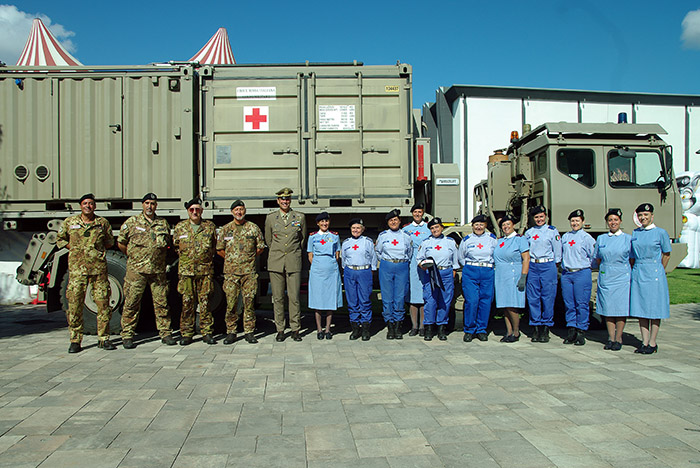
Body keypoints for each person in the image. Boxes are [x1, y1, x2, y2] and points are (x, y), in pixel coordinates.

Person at [56, 193, 115, 353]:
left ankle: (104, 339)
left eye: (91, 203)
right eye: (85, 203)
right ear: (80, 206)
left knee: (103, 305)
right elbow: (60, 239)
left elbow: (109, 242)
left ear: (94, 206)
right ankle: (75, 340)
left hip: (98, 271)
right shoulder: (70, 222)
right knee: (75, 305)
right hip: (77, 272)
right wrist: (75, 250)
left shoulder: (102, 223)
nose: (88, 206)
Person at [118, 193, 176, 348]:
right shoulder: (132, 222)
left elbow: (168, 246)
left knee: (162, 302)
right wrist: (134, 257)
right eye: (147, 203)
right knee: (132, 302)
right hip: (136, 271)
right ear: (142, 205)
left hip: (157, 271)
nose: (150, 206)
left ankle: (165, 333)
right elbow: (121, 243)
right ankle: (128, 334)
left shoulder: (162, 223)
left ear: (156, 206)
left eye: (153, 203)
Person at [217, 200, 266, 344]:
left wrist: (247, 258)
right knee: (231, 303)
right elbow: (219, 249)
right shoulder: (226, 229)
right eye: (236, 210)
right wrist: (232, 260)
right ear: (232, 212)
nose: (239, 212)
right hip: (231, 273)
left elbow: (260, 247)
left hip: (248, 272)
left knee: (249, 302)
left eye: (241, 209)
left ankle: (249, 332)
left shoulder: (253, 228)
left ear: (245, 211)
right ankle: (231, 332)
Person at [173, 198, 217, 346]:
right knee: (187, 303)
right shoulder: (180, 228)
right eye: (192, 210)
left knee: (205, 303)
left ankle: (207, 332)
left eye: (197, 209)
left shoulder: (209, 227)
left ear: (202, 211)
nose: (194, 212)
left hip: (205, 272)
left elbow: (214, 247)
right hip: (186, 272)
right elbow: (175, 247)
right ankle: (187, 333)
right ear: (188, 211)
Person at [265, 188, 307, 342]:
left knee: (294, 297)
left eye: (287, 199)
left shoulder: (299, 217)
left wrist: (292, 253)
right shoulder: (271, 218)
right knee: (278, 298)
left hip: (293, 261)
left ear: (290, 201)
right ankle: (280, 329)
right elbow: (269, 240)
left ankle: (295, 329)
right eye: (282, 199)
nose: (285, 202)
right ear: (278, 201)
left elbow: (302, 240)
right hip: (276, 262)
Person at [630, 203, 672, 354]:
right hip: (639, 271)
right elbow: (632, 256)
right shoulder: (635, 233)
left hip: (654, 272)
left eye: (646, 215)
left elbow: (666, 253)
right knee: (641, 308)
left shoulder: (660, 233)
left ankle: (653, 342)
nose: (643, 218)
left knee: (655, 309)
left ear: (652, 216)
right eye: (640, 215)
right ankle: (644, 341)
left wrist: (659, 269)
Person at [593, 208, 631, 351]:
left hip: (621, 276)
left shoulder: (628, 238)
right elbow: (597, 258)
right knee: (608, 308)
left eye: (615, 220)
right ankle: (610, 337)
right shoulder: (602, 239)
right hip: (607, 275)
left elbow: (631, 259)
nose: (613, 222)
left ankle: (619, 337)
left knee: (620, 309)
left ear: (620, 221)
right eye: (610, 220)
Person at [416, 217, 459, 341]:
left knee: (445, 301)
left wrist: (453, 273)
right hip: (431, 274)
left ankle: (441, 327)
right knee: (430, 300)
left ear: (442, 227)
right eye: (432, 228)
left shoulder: (450, 242)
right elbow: (419, 259)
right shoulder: (426, 243)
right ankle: (429, 328)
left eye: (437, 227)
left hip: (446, 272)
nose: (435, 230)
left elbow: (455, 261)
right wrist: (422, 266)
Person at [524, 206, 562, 343]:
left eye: (541, 216)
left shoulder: (552, 231)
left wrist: (555, 264)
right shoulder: (529, 233)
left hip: (548, 265)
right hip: (534, 265)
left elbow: (557, 250)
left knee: (548, 297)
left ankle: (546, 327)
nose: (539, 219)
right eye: (536, 217)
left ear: (545, 217)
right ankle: (535, 326)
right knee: (533, 297)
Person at [458, 214, 497, 342]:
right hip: (471, 270)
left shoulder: (492, 239)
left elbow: (496, 255)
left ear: (485, 226)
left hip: (487, 270)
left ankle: (481, 329)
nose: (479, 227)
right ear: (472, 226)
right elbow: (461, 257)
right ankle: (469, 329)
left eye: (481, 225)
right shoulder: (467, 240)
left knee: (485, 301)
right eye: (476, 225)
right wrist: (470, 267)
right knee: (472, 300)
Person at [375, 209, 413, 339]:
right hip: (387, 266)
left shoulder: (406, 236)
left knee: (399, 297)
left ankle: (398, 327)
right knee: (387, 297)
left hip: (402, 266)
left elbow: (410, 252)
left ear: (399, 221)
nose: (393, 222)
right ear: (388, 222)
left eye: (395, 220)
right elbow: (378, 252)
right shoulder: (383, 235)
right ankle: (390, 327)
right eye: (391, 220)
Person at [560, 209, 595, 346]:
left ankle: (581, 331)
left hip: (581, 272)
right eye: (573, 221)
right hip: (567, 273)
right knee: (569, 303)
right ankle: (571, 330)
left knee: (581, 303)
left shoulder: (587, 238)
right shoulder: (565, 237)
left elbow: (593, 256)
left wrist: (585, 267)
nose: (575, 223)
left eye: (577, 221)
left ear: (583, 222)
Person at [493, 215, 529, 343]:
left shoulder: (520, 239)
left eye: (508, 224)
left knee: (512, 305)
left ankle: (516, 331)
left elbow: (526, 258)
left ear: (513, 225)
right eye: (503, 225)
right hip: (501, 275)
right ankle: (508, 331)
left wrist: (523, 276)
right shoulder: (501, 240)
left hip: (513, 274)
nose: (506, 227)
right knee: (504, 304)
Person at [307, 212, 342, 339]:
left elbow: (337, 253)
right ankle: (319, 329)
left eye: (326, 221)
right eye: (321, 222)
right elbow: (310, 255)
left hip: (331, 270)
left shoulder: (334, 236)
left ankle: (328, 329)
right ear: (317, 223)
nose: (324, 224)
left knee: (329, 299)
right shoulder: (312, 237)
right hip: (317, 270)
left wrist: (330, 264)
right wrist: (318, 265)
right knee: (318, 300)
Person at [341, 218, 377, 341]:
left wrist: (370, 271)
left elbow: (373, 257)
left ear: (362, 229)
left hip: (364, 271)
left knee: (365, 300)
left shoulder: (367, 241)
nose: (356, 230)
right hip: (350, 271)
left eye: (358, 228)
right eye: (353, 228)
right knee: (352, 300)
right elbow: (343, 260)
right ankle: (355, 328)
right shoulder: (346, 242)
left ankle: (366, 328)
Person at [402, 203, 431, 336]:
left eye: (420, 212)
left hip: (425, 263)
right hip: (412, 263)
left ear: (423, 213)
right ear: (412, 214)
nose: (418, 214)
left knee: (424, 295)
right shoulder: (406, 229)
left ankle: (423, 326)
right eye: (415, 212)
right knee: (413, 296)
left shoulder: (428, 228)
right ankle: (414, 326)